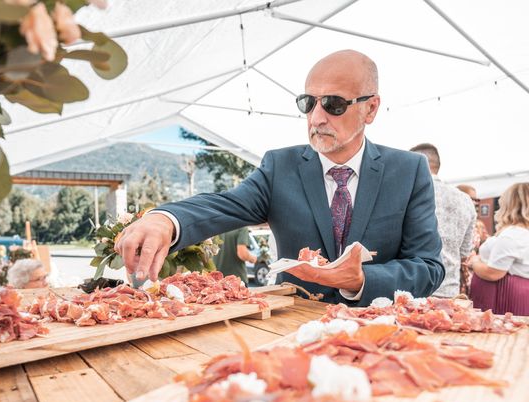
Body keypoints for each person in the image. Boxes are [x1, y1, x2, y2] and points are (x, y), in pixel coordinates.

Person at [115, 49, 444, 306]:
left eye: (333, 104)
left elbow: (429, 267)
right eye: (308, 102)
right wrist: (165, 220)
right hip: (288, 336)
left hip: (379, 337)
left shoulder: (409, 171)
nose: (316, 117)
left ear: (370, 109)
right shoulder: (280, 167)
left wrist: (360, 280)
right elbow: (224, 205)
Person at [410, 143, 475, 298]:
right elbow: (465, 252)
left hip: (411, 291)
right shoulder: (465, 200)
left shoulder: (407, 193)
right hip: (449, 290)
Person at [468, 183, 529, 315]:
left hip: (505, 300)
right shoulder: (521, 232)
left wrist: (474, 261)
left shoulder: (512, 235)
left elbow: (493, 273)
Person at [457, 184, 490, 296]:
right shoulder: (453, 221)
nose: (475, 202)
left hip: (472, 273)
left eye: (477, 199)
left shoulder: (479, 225)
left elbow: (487, 246)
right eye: (472, 199)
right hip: (455, 273)